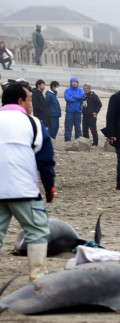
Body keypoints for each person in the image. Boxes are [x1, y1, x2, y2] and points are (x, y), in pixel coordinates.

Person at [0, 82, 56, 281]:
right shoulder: (33, 123)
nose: (31, 104)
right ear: (20, 101)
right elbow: (45, 160)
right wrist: (49, 187)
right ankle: (38, 275)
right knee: (37, 230)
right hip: (23, 189)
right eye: (29, 100)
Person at [82, 84, 103, 148]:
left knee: (93, 130)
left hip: (92, 116)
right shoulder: (83, 96)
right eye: (84, 88)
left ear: (89, 89)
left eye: (87, 88)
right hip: (85, 115)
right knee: (85, 130)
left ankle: (95, 144)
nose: (85, 89)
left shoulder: (94, 96)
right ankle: (86, 142)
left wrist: (96, 112)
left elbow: (99, 104)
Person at [63, 77, 84, 141]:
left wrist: (72, 96)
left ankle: (78, 141)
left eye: (76, 82)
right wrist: (77, 99)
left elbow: (81, 97)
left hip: (78, 111)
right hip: (69, 111)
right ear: (70, 83)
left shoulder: (80, 90)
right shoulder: (67, 90)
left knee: (78, 127)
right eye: (73, 82)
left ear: (78, 83)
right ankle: (67, 141)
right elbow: (67, 99)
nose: (74, 83)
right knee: (68, 127)